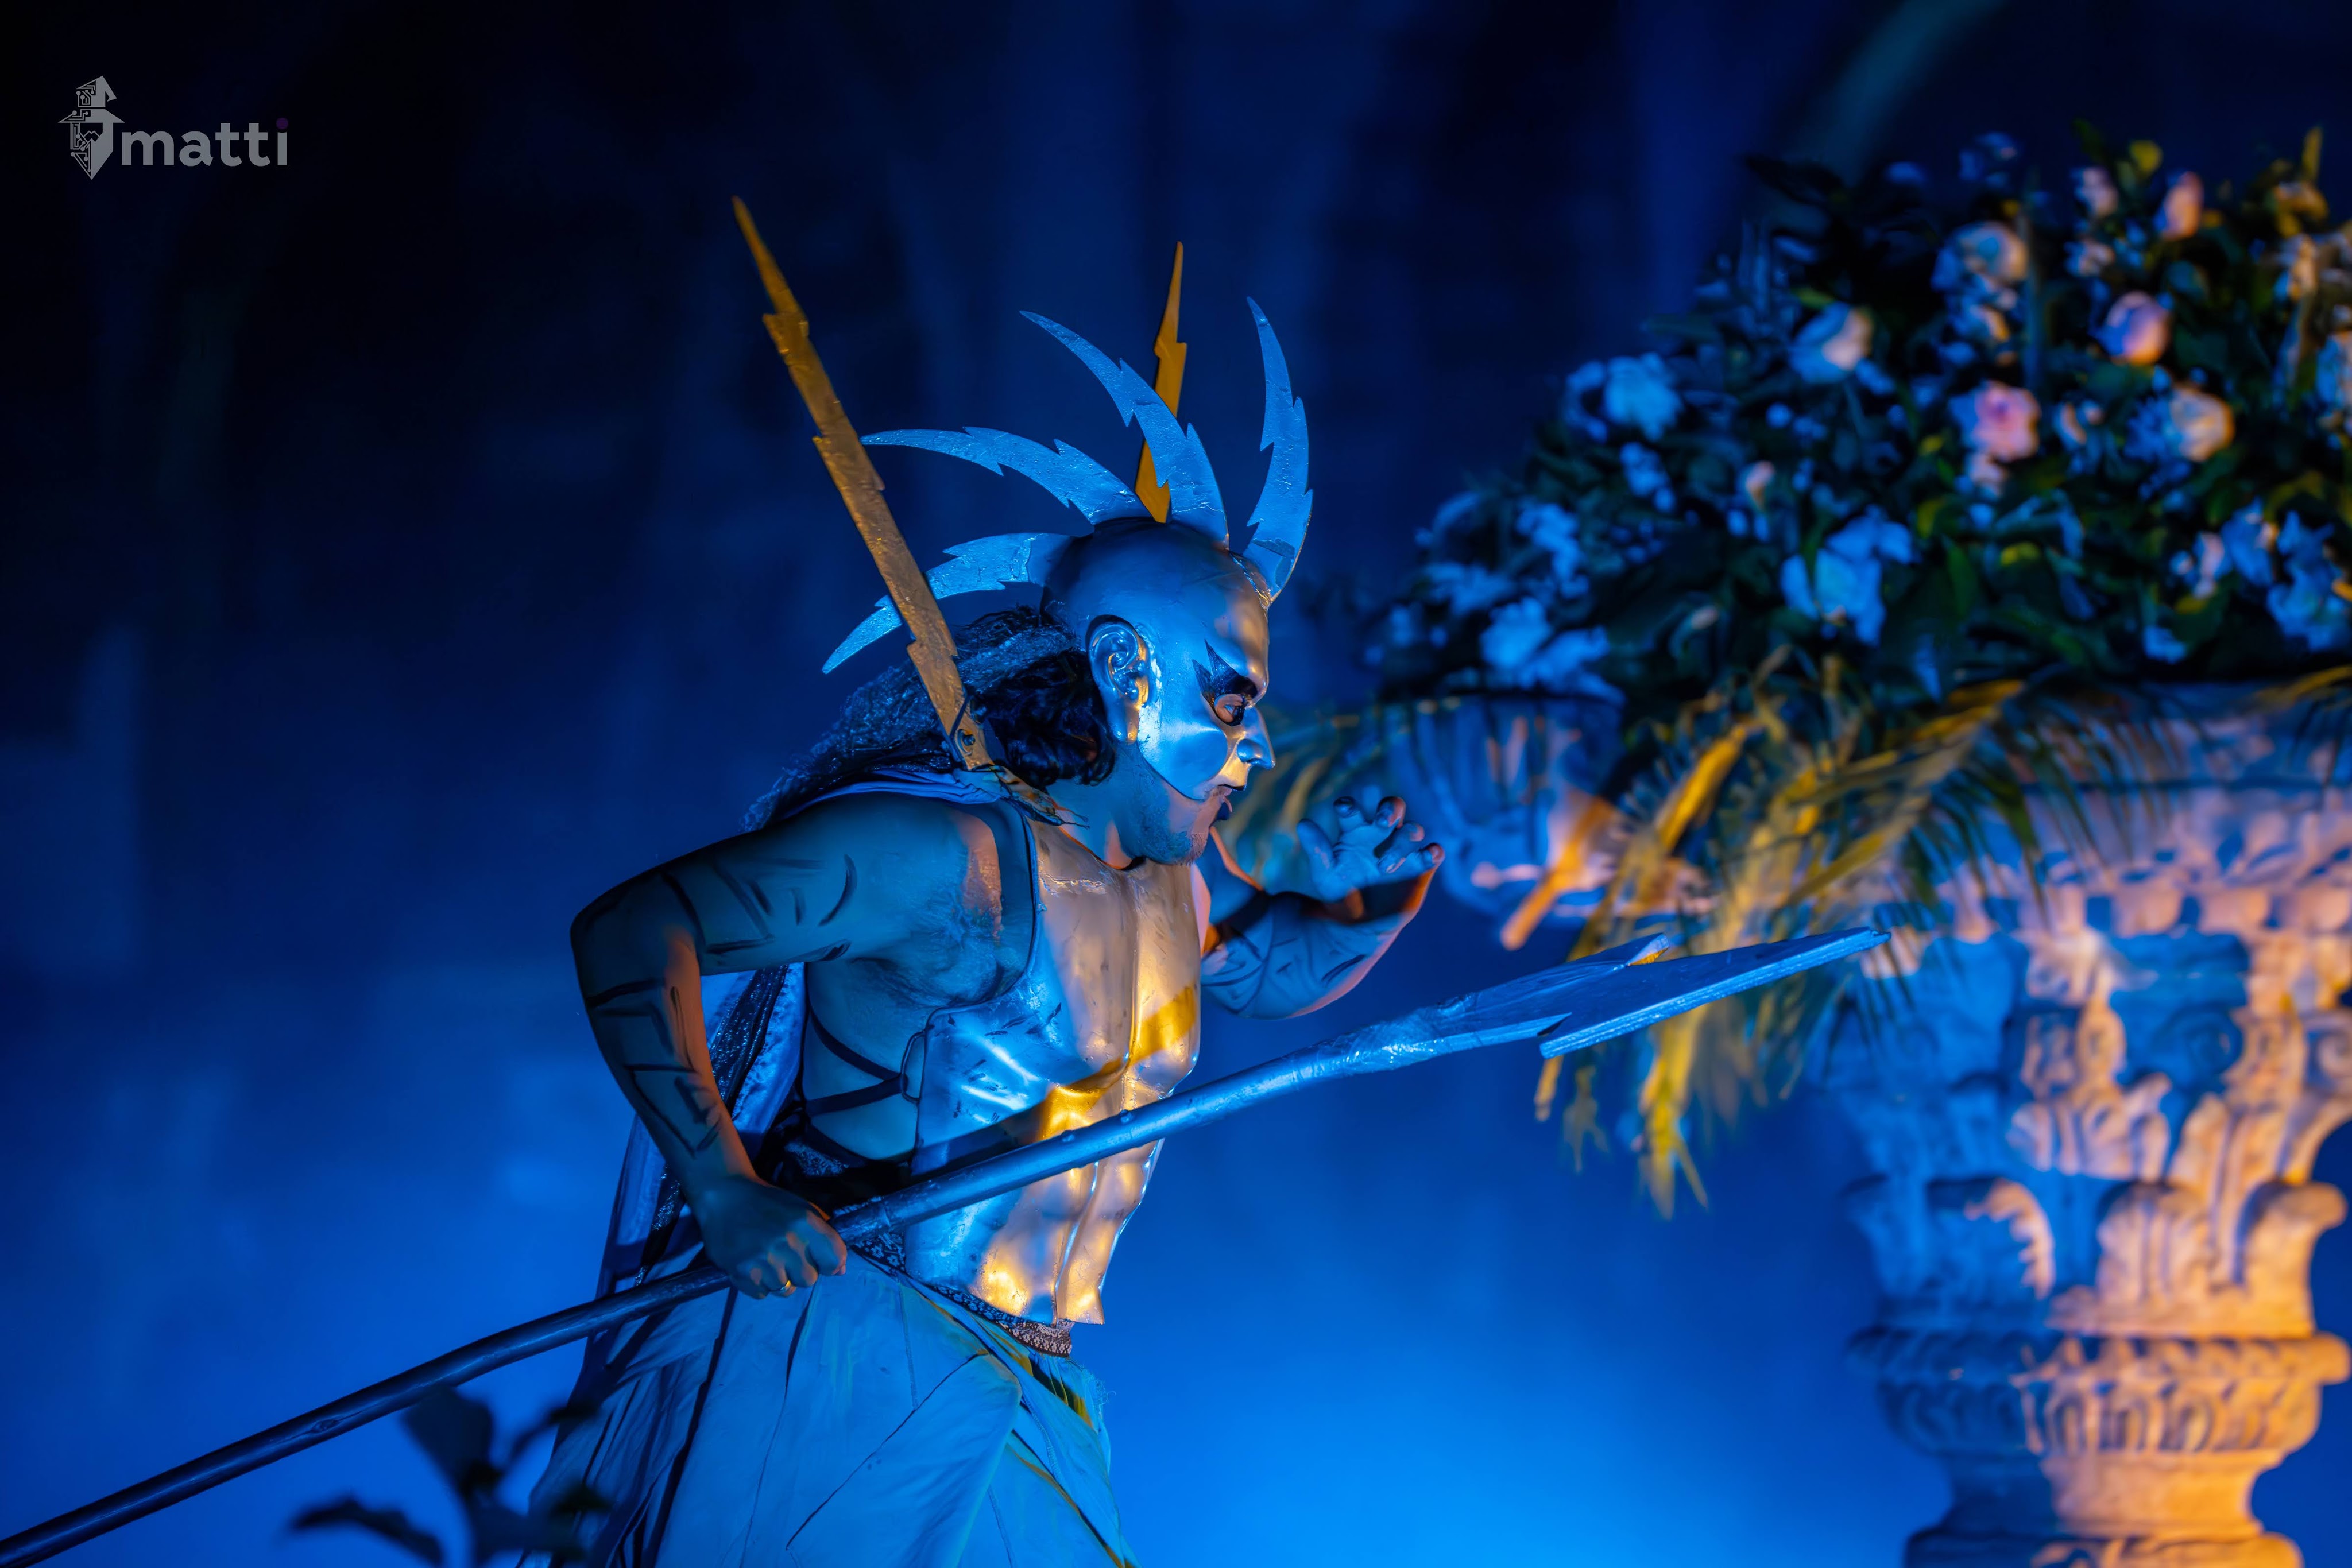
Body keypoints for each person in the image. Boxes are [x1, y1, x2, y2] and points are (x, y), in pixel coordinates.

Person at [534, 303, 1439, 1566]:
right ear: (1126, 672)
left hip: (1033, 1391)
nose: (1258, 747)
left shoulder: (1174, 880)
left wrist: (1375, 902)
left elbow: (1275, 972)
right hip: (847, 1360)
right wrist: (723, 1186)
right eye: (1231, 699)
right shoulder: (944, 858)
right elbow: (638, 931)